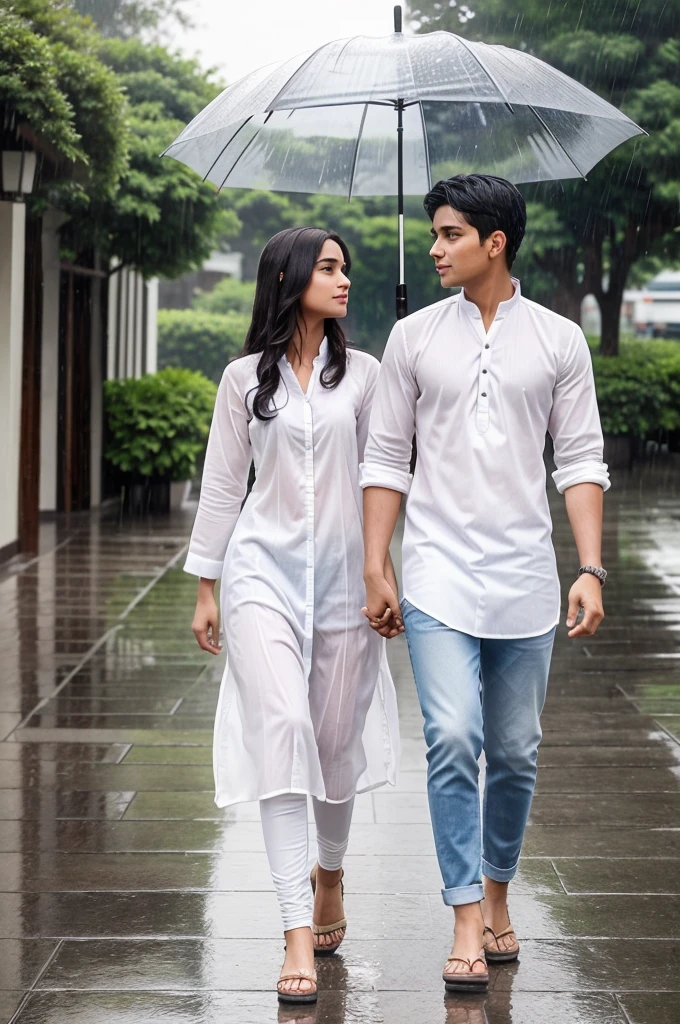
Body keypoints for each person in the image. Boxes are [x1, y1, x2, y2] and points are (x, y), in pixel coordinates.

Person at [360, 175, 609, 993]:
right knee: (454, 738)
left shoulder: (559, 341)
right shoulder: (413, 338)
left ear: (494, 243)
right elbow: (386, 457)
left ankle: (499, 889)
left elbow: (578, 460)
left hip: (526, 575)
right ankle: (466, 913)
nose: (435, 248)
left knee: (515, 749)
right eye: (433, 235)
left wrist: (590, 568)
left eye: (449, 234)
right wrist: (377, 561)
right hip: (434, 572)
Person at [185, 226, 400, 1005]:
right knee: (282, 730)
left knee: (336, 742)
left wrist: (382, 570)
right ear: (289, 276)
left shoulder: (369, 376)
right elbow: (221, 484)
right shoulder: (245, 378)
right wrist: (206, 583)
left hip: (348, 580)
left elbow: (385, 477)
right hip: (259, 576)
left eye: (346, 268)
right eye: (330, 267)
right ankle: (293, 929)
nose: (345, 280)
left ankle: (330, 875)